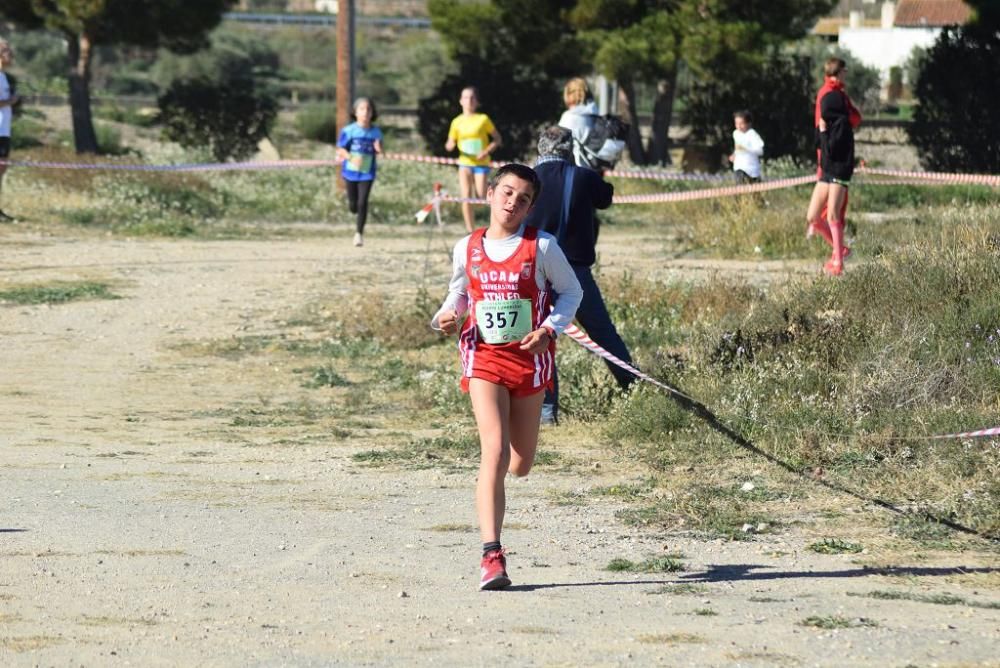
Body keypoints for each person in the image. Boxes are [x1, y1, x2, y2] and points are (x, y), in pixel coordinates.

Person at [431, 163, 582, 591]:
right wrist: (446, 315)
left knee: (520, 464)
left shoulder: (543, 247)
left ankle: (508, 480)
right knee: (493, 453)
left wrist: (550, 329)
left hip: (528, 363)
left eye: (523, 198)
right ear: (491, 193)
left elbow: (572, 292)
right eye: (507, 192)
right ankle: (491, 556)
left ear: (531, 208)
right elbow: (460, 291)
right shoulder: (468, 246)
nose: (513, 202)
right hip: (483, 359)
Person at [524, 127, 634, 425]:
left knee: (539, 339)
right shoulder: (582, 176)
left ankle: (546, 412)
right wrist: (595, 167)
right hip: (575, 272)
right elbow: (605, 197)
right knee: (603, 333)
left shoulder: (527, 179)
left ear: (540, 148)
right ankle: (633, 388)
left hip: (535, 272)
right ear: (569, 148)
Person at [806, 57, 862, 276]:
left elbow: (849, 124)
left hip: (838, 164)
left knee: (833, 214)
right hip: (826, 161)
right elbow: (855, 118)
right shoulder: (832, 96)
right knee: (813, 216)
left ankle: (838, 260)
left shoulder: (837, 97)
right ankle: (841, 250)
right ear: (839, 73)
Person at [445, 86, 502, 233]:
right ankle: (470, 231)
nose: (469, 100)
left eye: (472, 98)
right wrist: (450, 145)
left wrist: (486, 151)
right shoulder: (456, 122)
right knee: (465, 197)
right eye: (465, 97)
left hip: (481, 164)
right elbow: (450, 142)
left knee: (481, 197)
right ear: (460, 101)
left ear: (477, 102)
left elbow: (497, 139)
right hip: (464, 163)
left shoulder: (483, 119)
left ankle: (495, 225)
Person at [336, 97, 383, 247]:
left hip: (367, 173)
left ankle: (359, 234)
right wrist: (350, 157)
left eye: (368, 109)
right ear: (355, 112)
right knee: (353, 205)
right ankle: (353, 207)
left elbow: (380, 150)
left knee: (363, 202)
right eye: (362, 109)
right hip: (350, 172)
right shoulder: (349, 131)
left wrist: (379, 149)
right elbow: (341, 149)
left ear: (372, 113)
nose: (365, 112)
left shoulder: (376, 132)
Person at [557, 77, 599, 169]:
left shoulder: (568, 117)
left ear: (568, 94)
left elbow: (557, 145)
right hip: (595, 171)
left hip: (574, 172)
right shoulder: (596, 114)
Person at [0, 39, 19, 223]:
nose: (11, 55)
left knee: (2, 168)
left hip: (3, 130)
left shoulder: (4, 76)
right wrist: (11, 101)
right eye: (7, 51)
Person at [728, 110, 764, 184]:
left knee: (755, 194)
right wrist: (734, 154)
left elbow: (760, 151)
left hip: (752, 169)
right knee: (741, 190)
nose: (739, 126)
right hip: (739, 167)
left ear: (748, 123)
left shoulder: (752, 134)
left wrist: (747, 150)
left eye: (741, 123)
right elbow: (737, 147)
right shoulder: (735, 133)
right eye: (736, 123)